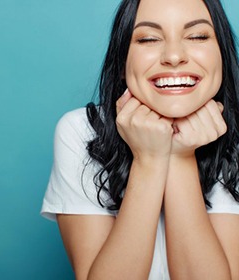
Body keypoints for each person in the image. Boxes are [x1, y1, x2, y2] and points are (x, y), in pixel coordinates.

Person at [41, 0, 239, 279]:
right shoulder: (82, 132)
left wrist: (181, 156)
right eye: (148, 38)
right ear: (122, 62)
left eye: (197, 36)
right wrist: (150, 159)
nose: (173, 56)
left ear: (222, 55)